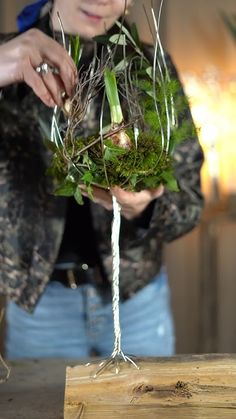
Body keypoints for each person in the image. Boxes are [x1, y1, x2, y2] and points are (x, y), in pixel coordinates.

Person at [0, 0, 204, 359]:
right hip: (41, 310)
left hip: (137, 303)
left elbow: (189, 201)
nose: (103, 0)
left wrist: (145, 208)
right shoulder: (8, 60)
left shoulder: (150, 70)